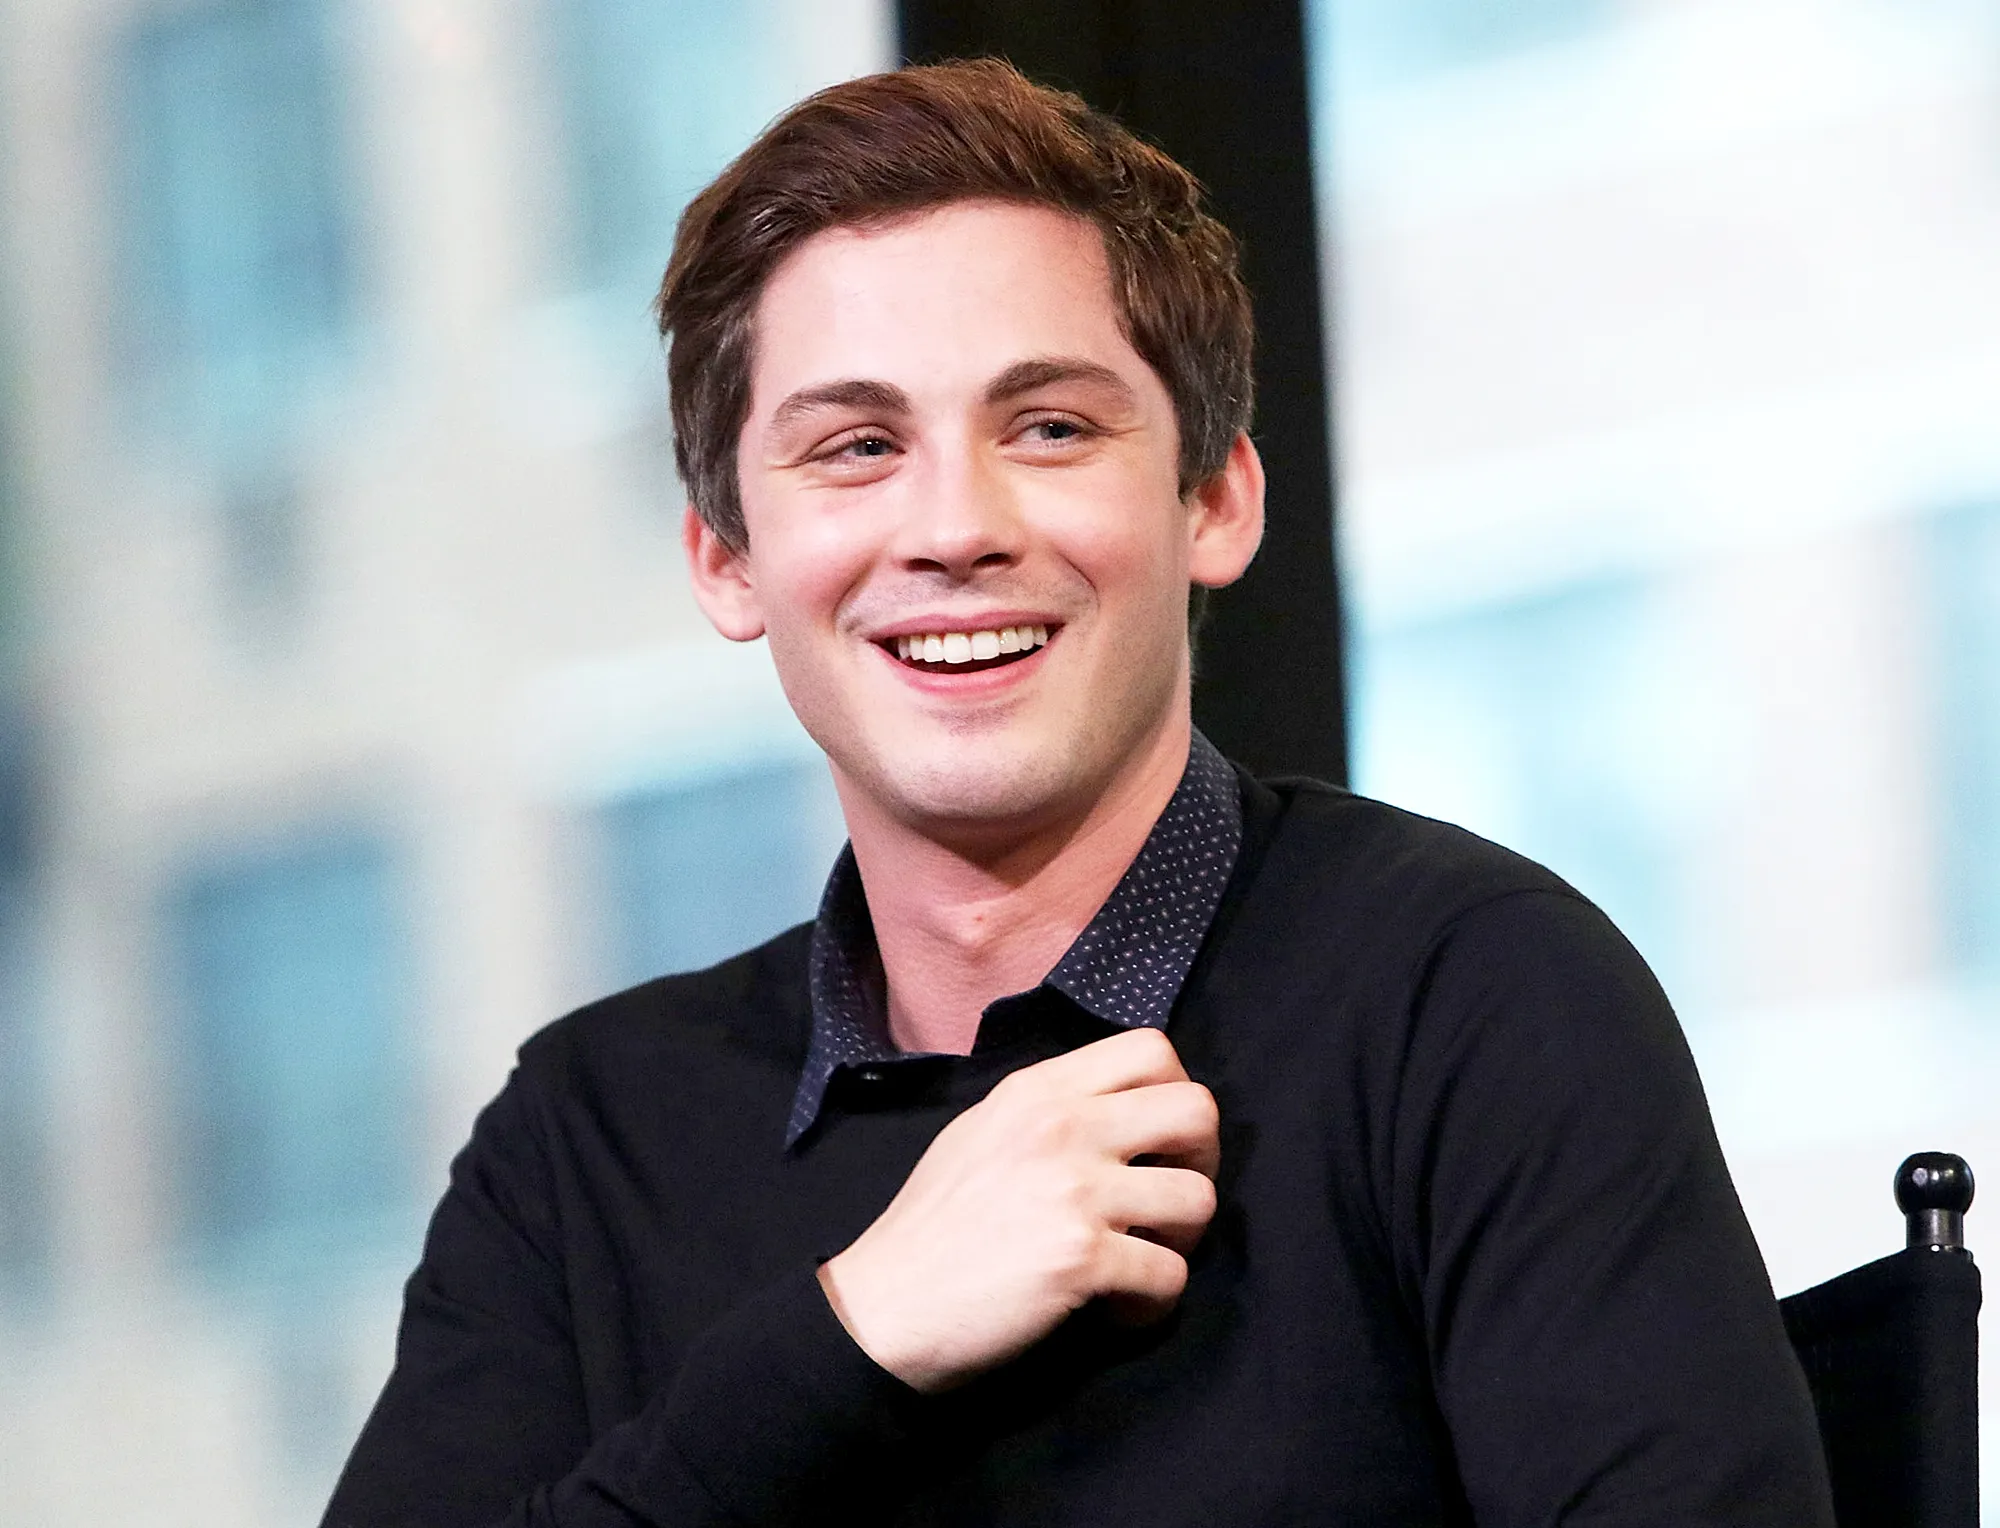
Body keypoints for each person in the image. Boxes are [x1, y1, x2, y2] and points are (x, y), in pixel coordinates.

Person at [322, 60, 1834, 1527]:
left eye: (1048, 427)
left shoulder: (1476, 997)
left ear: (1214, 499)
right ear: (727, 560)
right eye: (856, 447)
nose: (955, 527)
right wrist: (849, 1344)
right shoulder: (586, 1141)